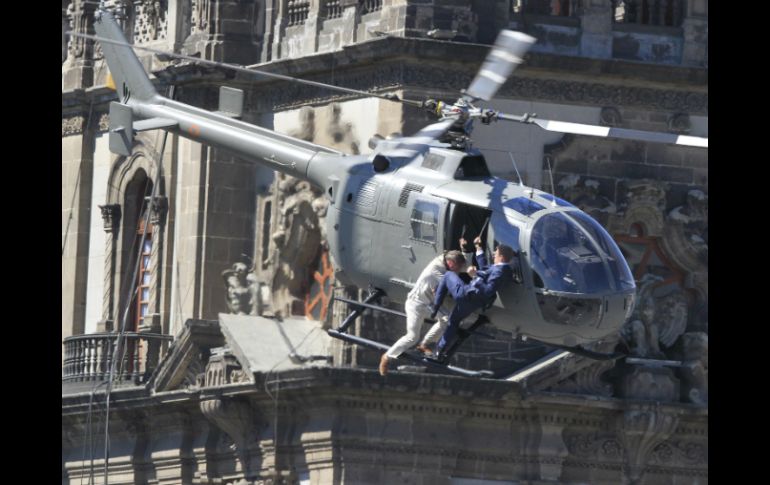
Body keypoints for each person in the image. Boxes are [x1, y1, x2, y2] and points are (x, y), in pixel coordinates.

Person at [379, 250, 467, 376]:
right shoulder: (436, 270)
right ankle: (387, 357)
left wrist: (463, 250)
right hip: (416, 304)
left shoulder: (446, 260)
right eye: (457, 268)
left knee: (448, 320)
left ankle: (424, 344)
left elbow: (457, 260)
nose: (458, 270)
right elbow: (453, 284)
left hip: (429, 303)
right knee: (412, 337)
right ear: (450, 263)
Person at [430, 237, 516, 360]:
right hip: (472, 302)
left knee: (448, 275)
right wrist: (478, 247)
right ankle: (438, 351)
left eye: (496, 253)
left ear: (501, 257)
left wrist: (474, 275)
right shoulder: (502, 269)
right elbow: (485, 268)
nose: (493, 254)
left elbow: (488, 290)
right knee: (453, 322)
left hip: (467, 295)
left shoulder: (500, 272)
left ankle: (435, 306)